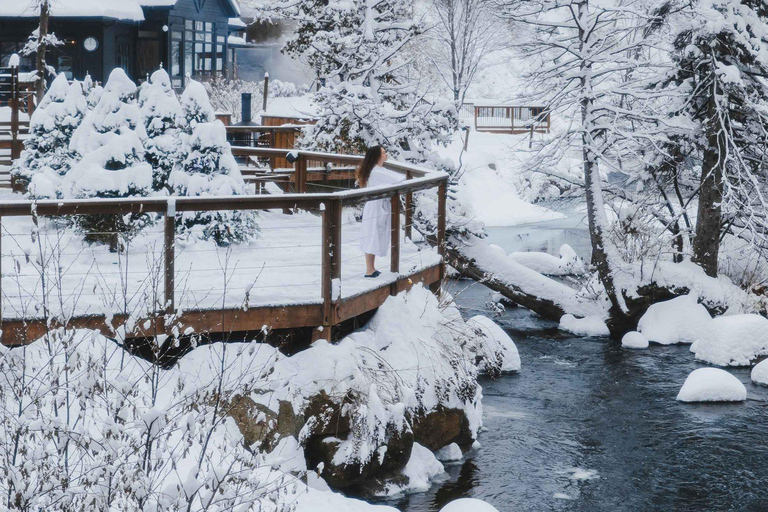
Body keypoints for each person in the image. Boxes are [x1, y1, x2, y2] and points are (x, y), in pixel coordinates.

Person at [357, 145, 405, 278]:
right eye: (383, 153)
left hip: (378, 206)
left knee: (374, 234)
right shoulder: (376, 172)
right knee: (372, 234)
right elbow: (397, 179)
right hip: (375, 207)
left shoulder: (378, 170)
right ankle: (369, 269)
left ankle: (371, 268)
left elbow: (394, 176)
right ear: (377, 156)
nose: (386, 154)